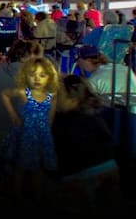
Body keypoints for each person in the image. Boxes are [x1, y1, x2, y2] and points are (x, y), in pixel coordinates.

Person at [52, 75, 120, 209]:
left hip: (80, 176)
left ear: (70, 94)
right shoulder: (94, 115)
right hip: (109, 169)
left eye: (58, 94)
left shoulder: (62, 122)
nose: (54, 99)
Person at [0, 56, 59, 201]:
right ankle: (17, 195)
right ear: (25, 75)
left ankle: (37, 197)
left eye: (42, 75)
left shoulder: (52, 95)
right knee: (20, 167)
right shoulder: (23, 92)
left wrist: (47, 132)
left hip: (41, 137)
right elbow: (4, 94)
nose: (37, 79)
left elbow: (51, 116)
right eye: (32, 75)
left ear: (49, 77)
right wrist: (13, 114)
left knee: (38, 169)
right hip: (25, 135)